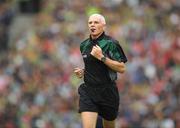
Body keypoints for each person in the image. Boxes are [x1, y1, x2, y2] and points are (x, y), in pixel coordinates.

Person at [74, 13, 127, 128]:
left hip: (108, 91)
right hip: (88, 90)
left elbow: (122, 68)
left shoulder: (111, 44)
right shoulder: (84, 45)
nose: (92, 25)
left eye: (96, 22)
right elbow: (92, 66)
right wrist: (83, 71)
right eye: (90, 22)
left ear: (103, 26)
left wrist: (102, 58)